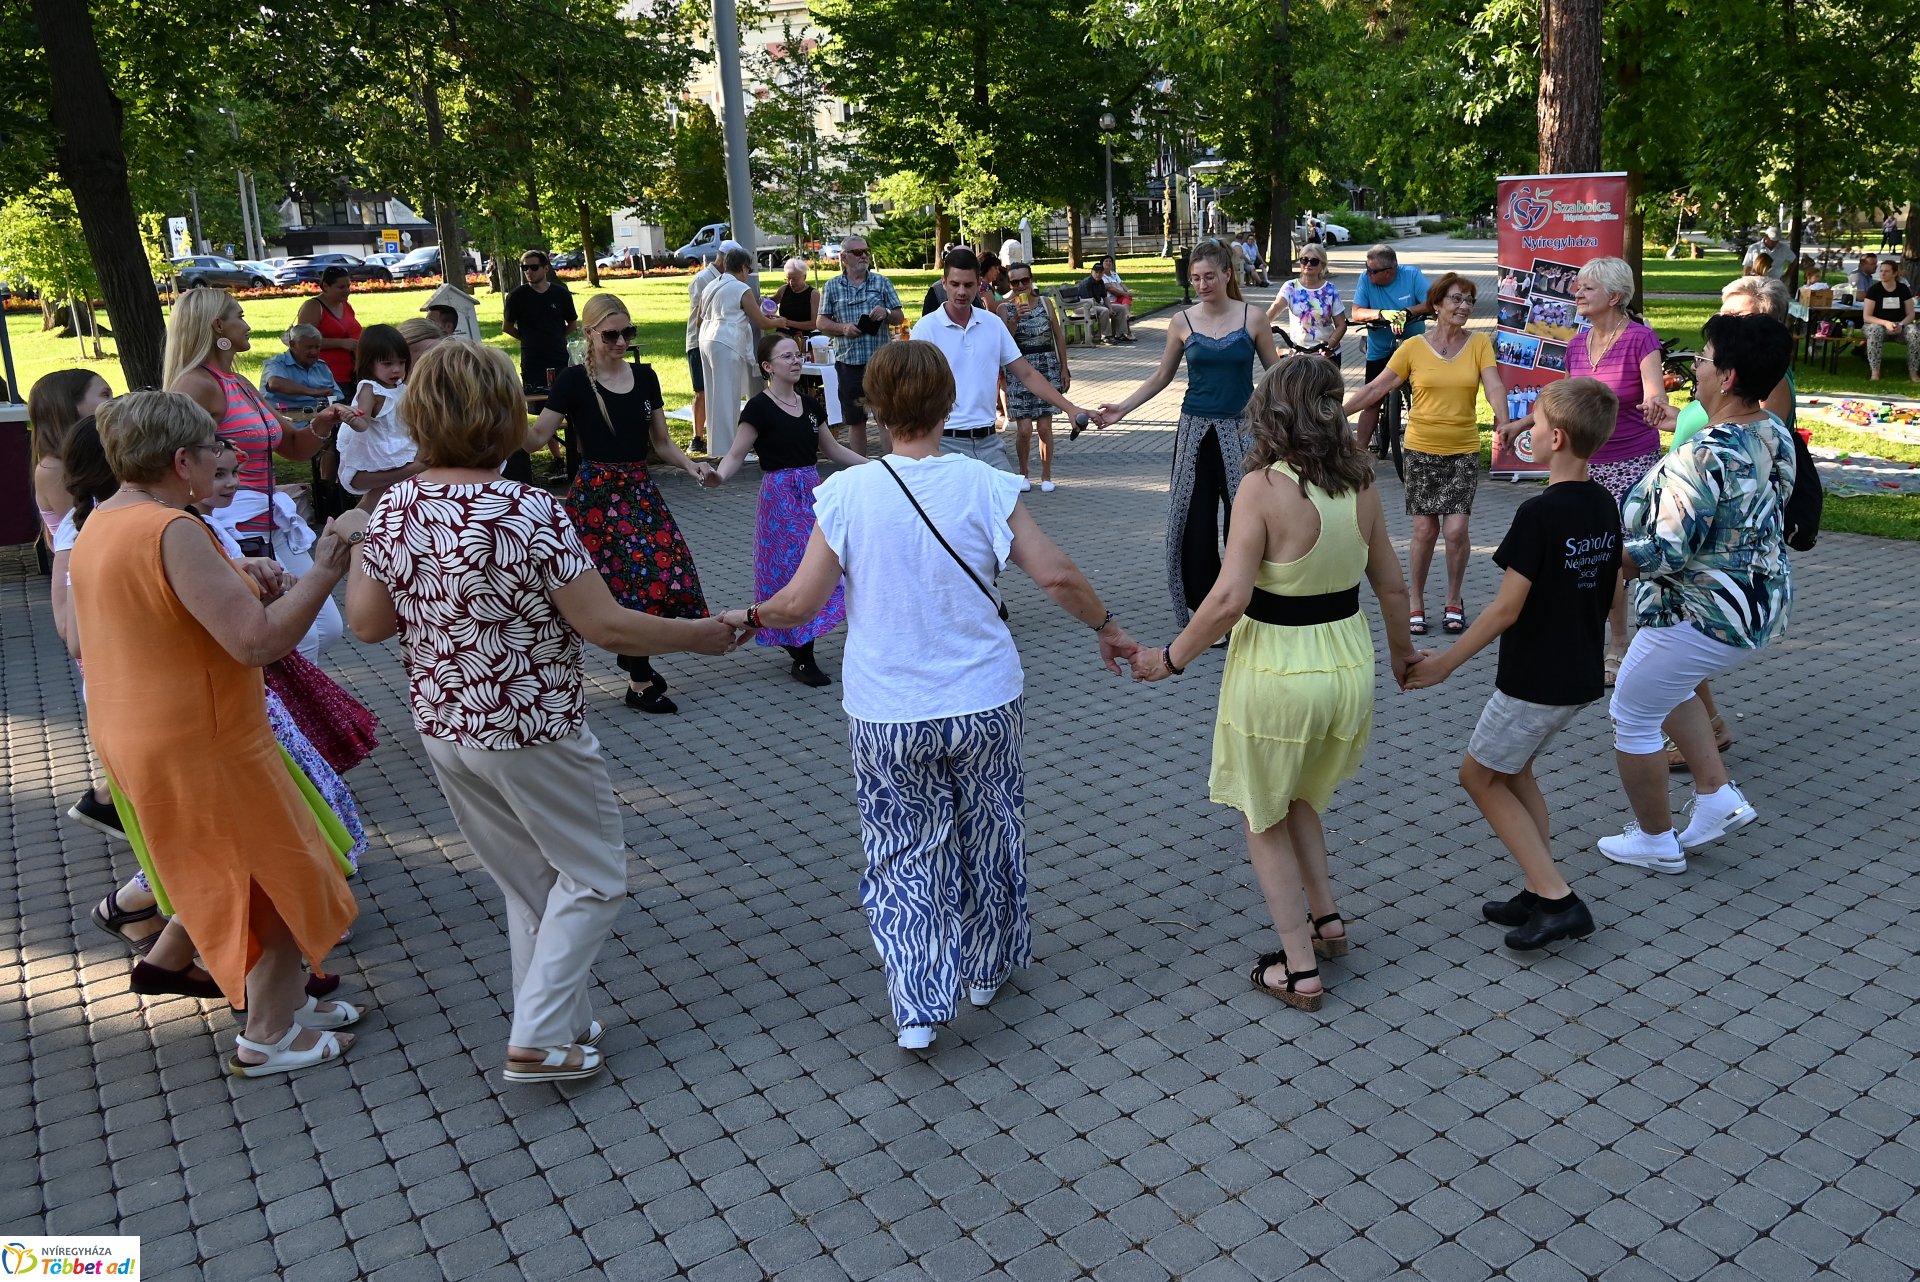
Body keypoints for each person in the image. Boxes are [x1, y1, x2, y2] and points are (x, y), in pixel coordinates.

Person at [714, 341, 1142, 1050]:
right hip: (983, 700)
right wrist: (1109, 628)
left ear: (875, 408)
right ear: (948, 406)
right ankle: (985, 967)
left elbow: (798, 603)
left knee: (902, 853)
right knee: (991, 836)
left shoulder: (846, 494)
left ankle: (917, 1004)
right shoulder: (982, 484)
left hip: (887, 712)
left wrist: (745, 617)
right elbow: (1057, 576)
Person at [346, 340, 742, 1085]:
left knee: (531, 883)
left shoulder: (393, 508)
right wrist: (699, 637)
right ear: (502, 416)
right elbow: (606, 626)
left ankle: (560, 1024)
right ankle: (535, 1038)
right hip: (533, 729)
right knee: (593, 878)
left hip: (446, 727)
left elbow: (367, 625)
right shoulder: (530, 511)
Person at [72, 391, 363, 1076]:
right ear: (182, 460)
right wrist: (326, 565)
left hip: (143, 733)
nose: (221, 459)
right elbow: (254, 644)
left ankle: (289, 1005)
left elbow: (165, 613)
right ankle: (268, 1036)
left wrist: (240, 575)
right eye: (212, 450)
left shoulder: (106, 520)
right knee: (274, 875)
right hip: (205, 738)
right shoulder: (173, 529)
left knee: (264, 870)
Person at [1129, 357, 1417, 1008]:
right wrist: (1403, 656)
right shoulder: (1361, 482)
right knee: (1300, 799)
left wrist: (1169, 658)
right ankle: (1328, 921)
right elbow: (1392, 585)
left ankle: (1299, 967)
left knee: (1262, 815)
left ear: (1272, 411)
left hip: (1280, 672)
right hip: (1348, 665)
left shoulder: (1262, 486)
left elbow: (1229, 598)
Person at [1403, 378, 1623, 951]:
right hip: (1575, 671)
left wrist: (1444, 664)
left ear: (1556, 437)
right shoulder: (1602, 502)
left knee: (1477, 777)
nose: (1525, 430)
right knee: (1515, 771)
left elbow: (1503, 609)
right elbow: (1611, 581)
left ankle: (1558, 900)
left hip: (1536, 678)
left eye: (1534, 422)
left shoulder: (1538, 513)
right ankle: (1536, 885)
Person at [1598, 314, 1795, 876]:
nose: (1696, 368)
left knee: (1631, 712)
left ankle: (1656, 841)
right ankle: (1717, 798)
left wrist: (1589, 557)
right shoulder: (1771, 428)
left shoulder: (1703, 452)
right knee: (1669, 687)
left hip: (1701, 613)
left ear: (1728, 376)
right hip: (1758, 602)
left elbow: (1667, 550)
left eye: (1704, 359)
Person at [527, 294, 717, 714]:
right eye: (610, 334)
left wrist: (692, 466)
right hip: (596, 497)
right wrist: (493, 423)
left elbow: (662, 442)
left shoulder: (645, 377)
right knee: (628, 586)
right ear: (588, 333)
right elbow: (538, 438)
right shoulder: (574, 381)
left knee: (670, 573)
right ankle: (639, 680)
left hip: (638, 490)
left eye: (627, 333)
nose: (620, 342)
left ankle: (635, 656)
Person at [1095, 239, 1282, 626]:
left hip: (1243, 433)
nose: (1202, 284)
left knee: (1243, 522)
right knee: (1194, 521)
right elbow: (1162, 376)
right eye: (1195, 278)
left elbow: (1276, 376)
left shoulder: (1254, 317)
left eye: (1209, 276)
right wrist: (1122, 409)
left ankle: (1245, 609)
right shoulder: (1182, 321)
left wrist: (1268, 412)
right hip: (1195, 431)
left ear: (1228, 274)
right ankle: (1205, 612)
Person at [1499, 257, 1666, 680]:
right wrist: (1522, 421)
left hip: (1632, 462)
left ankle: (1618, 644)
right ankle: (1594, 636)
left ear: (1614, 296)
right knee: (1594, 555)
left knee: (1617, 558)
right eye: (1576, 287)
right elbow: (1563, 399)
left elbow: (1655, 395)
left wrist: (1653, 404)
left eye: (1586, 288)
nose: (1576, 293)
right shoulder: (1576, 344)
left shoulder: (1640, 339)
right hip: (1589, 462)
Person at [165, 289, 347, 658]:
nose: (248, 326)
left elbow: (292, 445)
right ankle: (285, 713)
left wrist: (323, 422)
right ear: (218, 326)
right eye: (240, 316)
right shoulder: (196, 385)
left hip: (270, 522)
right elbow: (174, 460)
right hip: (237, 529)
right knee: (298, 638)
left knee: (327, 626)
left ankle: (290, 709)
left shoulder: (239, 383)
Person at [1344, 272, 1507, 638]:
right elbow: (1378, 386)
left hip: (1462, 449)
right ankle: (1415, 600)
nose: (1464, 306)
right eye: (1455, 299)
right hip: (1421, 449)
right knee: (1424, 529)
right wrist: (1340, 413)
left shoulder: (1479, 343)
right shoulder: (1414, 347)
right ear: (1436, 305)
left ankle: (1453, 598)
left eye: (1468, 300)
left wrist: (1504, 419)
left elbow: (1494, 384)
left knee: (1456, 528)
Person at [706, 334, 867, 685]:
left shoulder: (810, 405)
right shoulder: (758, 409)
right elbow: (736, 454)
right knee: (793, 570)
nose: (795, 361)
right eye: (786, 356)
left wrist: (872, 466)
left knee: (830, 564)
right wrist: (719, 477)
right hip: (780, 497)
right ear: (768, 366)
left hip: (813, 492)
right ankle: (802, 655)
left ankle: (799, 642)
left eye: (798, 355)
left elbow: (834, 451)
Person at [29, 372, 121, 838]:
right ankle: (109, 797)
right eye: (103, 394)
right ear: (71, 407)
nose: (113, 399)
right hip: (87, 596)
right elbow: (78, 530)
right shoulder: (56, 468)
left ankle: (112, 796)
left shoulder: (62, 462)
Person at [909, 247, 1092, 475]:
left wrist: (1070, 408)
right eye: (955, 284)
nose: (962, 292)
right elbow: (911, 389)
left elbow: (1027, 374)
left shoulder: (992, 325)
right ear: (944, 283)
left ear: (979, 284)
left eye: (968, 285)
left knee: (1011, 507)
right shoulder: (926, 329)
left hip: (989, 443)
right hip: (945, 442)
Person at [819, 232, 906, 456]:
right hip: (849, 363)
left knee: (885, 417)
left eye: (866, 251)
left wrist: (886, 312)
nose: (864, 256)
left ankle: (890, 467)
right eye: (858, 252)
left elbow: (899, 316)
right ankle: (860, 468)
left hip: (880, 363)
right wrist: (843, 328)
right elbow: (821, 322)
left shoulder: (881, 282)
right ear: (844, 257)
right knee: (855, 421)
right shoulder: (832, 286)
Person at [1347, 244, 1434, 452]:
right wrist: (1383, 314)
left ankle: (1427, 447)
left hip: (1413, 345)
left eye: (1373, 271)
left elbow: (1432, 303)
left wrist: (1406, 312)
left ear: (1390, 271)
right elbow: (1357, 313)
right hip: (1379, 347)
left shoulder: (1412, 275)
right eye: (1366, 268)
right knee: (1372, 400)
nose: (1368, 274)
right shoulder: (1365, 279)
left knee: (1425, 398)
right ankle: (1359, 453)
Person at [699, 247, 783, 457]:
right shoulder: (740, 288)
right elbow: (762, 321)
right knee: (728, 397)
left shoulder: (711, 285)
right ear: (743, 268)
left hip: (706, 339)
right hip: (726, 342)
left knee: (713, 396)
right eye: (749, 268)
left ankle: (716, 448)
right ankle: (730, 451)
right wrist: (781, 321)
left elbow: (699, 318)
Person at [999, 264, 1071, 493]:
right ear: (1009, 285)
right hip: (1019, 368)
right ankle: (1023, 473)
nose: (1021, 286)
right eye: (1015, 282)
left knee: (1044, 427)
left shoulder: (1046, 304)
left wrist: (1064, 368)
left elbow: (1058, 337)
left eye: (1025, 280)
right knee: (1023, 430)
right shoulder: (1004, 309)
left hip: (1047, 367)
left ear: (1031, 280)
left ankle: (1047, 475)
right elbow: (1002, 343)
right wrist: (1015, 321)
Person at [337, 323, 418, 506]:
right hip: (381, 449)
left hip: (399, 442)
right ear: (369, 363)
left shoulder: (400, 388)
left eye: (401, 362)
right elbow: (363, 421)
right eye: (388, 364)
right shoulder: (370, 389)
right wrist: (353, 420)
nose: (396, 369)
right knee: (385, 494)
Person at [684, 241, 742, 454]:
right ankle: (698, 437)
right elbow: (702, 315)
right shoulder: (703, 279)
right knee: (701, 390)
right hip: (699, 341)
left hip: (719, 341)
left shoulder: (728, 279)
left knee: (720, 389)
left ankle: (719, 438)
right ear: (723, 258)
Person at [503, 249, 577, 395]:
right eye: (525, 268)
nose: (529, 271)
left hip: (559, 356)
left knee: (566, 399)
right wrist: (528, 339)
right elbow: (507, 327)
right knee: (537, 403)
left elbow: (573, 324)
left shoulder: (561, 294)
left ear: (546, 268)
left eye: (534, 267)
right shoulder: (516, 296)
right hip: (532, 359)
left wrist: (557, 337)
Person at [1266, 244, 1347, 362]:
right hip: (1298, 354)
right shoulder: (1290, 287)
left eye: (1314, 261)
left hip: (1326, 355)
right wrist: (1260, 324)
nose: (1308, 264)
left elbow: (1341, 325)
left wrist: (1330, 346)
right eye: (1304, 260)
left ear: (1322, 266)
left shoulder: (1330, 289)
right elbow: (1276, 307)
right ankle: (1284, 351)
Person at [294, 267, 361, 390]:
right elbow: (303, 341)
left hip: (353, 375)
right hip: (327, 376)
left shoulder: (346, 306)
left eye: (348, 286)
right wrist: (341, 343)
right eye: (341, 287)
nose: (347, 291)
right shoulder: (313, 306)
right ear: (325, 286)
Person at [1862, 258, 1920, 382]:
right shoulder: (1874, 290)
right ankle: (1875, 372)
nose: (1882, 274)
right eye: (1881, 271)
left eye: (1887, 271)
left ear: (1894, 273)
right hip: (1879, 326)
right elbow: (1867, 317)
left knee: (1914, 331)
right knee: (1875, 330)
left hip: (1900, 327)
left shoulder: (1903, 289)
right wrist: (1886, 323)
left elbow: (1911, 314)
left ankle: (1914, 372)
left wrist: (1901, 324)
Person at [261, 325, 343, 413]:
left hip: (319, 418)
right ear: (293, 344)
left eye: (317, 347)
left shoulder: (321, 366)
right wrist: (313, 392)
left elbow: (337, 397)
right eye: (309, 347)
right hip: (285, 419)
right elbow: (275, 383)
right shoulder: (277, 363)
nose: (314, 352)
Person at [771, 256, 822, 341]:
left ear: (804, 277)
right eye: (788, 278)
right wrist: (764, 300)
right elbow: (772, 302)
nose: (791, 283)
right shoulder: (784, 289)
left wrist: (787, 322)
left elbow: (814, 324)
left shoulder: (814, 294)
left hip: (806, 336)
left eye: (795, 279)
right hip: (783, 333)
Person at [1066, 261, 1116, 342]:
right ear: (1091, 272)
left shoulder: (1101, 282)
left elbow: (1105, 297)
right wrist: (1106, 308)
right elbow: (1088, 301)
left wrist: (1110, 308)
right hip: (1082, 306)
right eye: (1096, 272)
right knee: (1104, 310)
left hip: (1094, 305)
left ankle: (1120, 333)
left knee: (1120, 308)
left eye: (1100, 272)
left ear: (1103, 273)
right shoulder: (1087, 283)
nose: (1098, 274)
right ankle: (1106, 336)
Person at [1097, 255, 1135, 341]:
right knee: (1122, 308)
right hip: (1110, 300)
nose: (1108, 263)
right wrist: (1125, 293)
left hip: (1119, 297)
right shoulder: (1101, 275)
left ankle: (1127, 315)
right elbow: (1110, 288)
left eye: (1110, 261)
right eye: (1106, 261)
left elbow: (1121, 284)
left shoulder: (1114, 274)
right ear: (1102, 263)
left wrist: (1128, 291)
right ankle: (1126, 331)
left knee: (1127, 299)